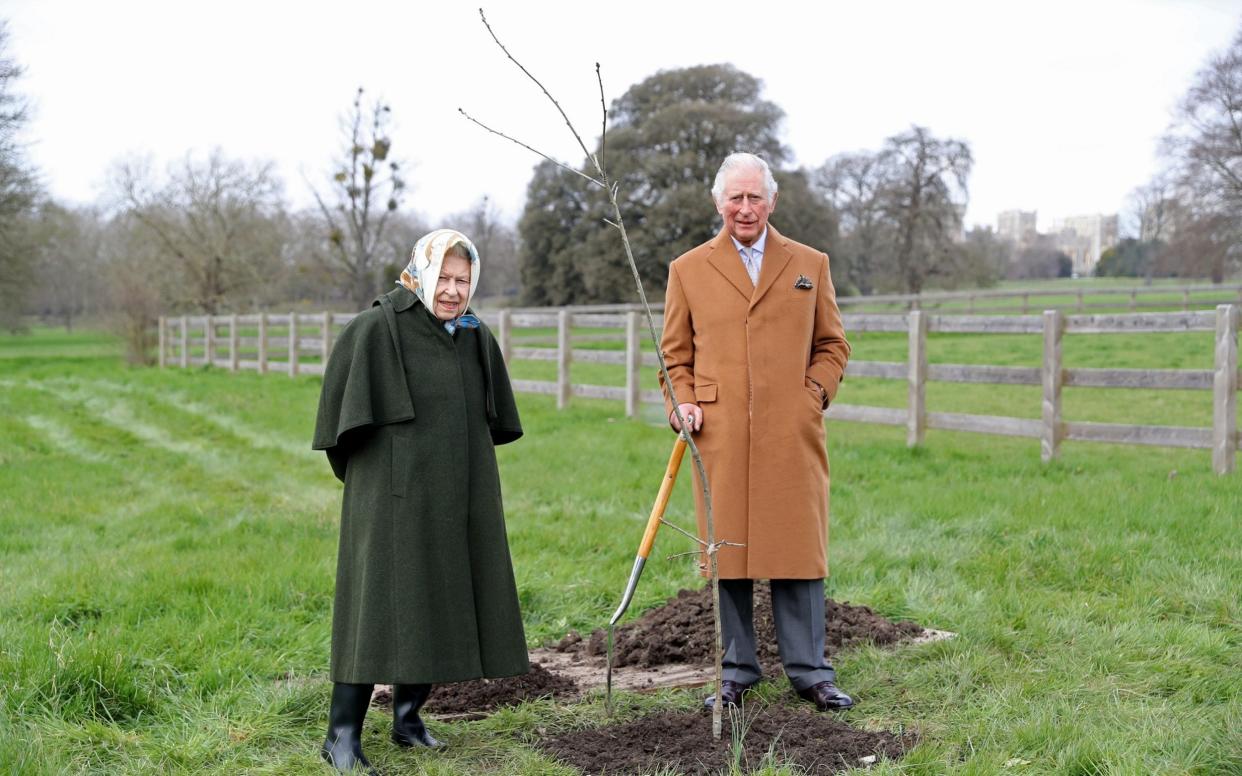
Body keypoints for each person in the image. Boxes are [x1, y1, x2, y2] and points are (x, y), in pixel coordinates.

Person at [312, 229, 527, 772]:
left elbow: (492, 417)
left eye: (463, 280)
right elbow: (341, 433)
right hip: (390, 496)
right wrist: (379, 486)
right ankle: (341, 736)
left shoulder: (473, 336)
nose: (453, 291)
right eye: (445, 278)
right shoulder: (374, 330)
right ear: (422, 272)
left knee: (436, 595)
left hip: (457, 491)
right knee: (375, 606)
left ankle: (408, 720)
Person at [659, 153, 854, 712]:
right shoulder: (689, 269)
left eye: (755, 198)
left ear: (772, 201)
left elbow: (833, 345)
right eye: (735, 198)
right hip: (718, 433)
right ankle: (736, 670)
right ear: (719, 203)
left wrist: (812, 394)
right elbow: (674, 357)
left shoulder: (808, 264)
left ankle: (811, 671)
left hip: (791, 431)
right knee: (729, 551)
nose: (745, 208)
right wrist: (685, 404)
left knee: (797, 547)